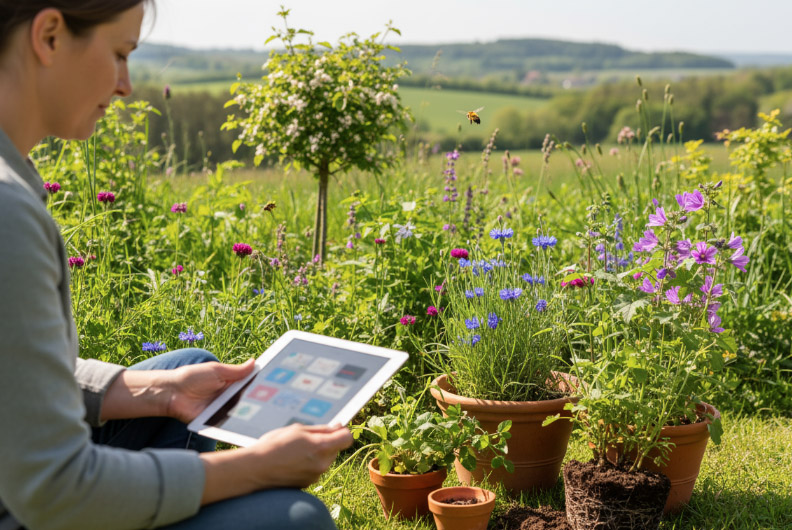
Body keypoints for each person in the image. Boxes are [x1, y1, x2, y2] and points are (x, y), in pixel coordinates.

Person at [0, 2, 353, 529]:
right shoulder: (9, 214)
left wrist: (159, 392)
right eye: (120, 54)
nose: (125, 85)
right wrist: (255, 468)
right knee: (295, 516)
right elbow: (54, 490)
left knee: (181, 371)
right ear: (50, 36)